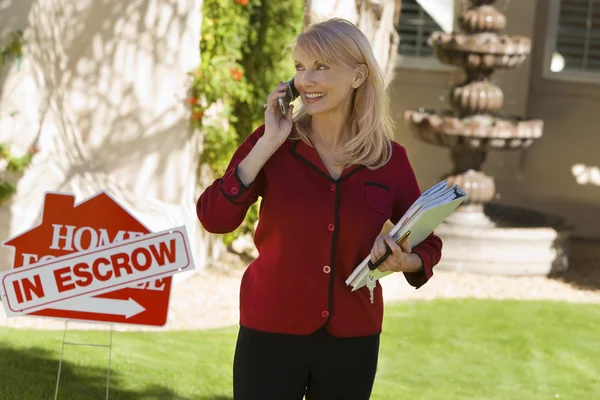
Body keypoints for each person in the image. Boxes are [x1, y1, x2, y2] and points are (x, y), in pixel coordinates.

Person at [196, 18, 442, 400]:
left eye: (321, 67)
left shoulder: (389, 160)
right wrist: (267, 142)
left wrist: (402, 262)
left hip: (353, 339)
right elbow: (214, 218)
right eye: (299, 67)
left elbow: (428, 243)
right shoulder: (273, 144)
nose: (306, 80)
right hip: (271, 330)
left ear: (358, 76)